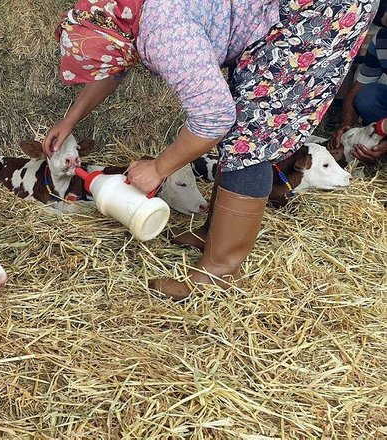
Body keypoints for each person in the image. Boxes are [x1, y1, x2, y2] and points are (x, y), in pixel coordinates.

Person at [44, 0, 375, 300]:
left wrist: (159, 168)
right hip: (278, 10)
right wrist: (69, 120)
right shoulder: (123, 20)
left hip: (314, 15)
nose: (102, 69)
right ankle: (213, 233)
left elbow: (215, 118)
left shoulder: (165, 35)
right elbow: (111, 68)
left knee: (251, 134)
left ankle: (219, 271)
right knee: (244, 116)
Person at [335, 25, 387, 162]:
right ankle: (378, 138)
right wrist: (346, 123)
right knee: (367, 96)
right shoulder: (382, 39)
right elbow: (356, 89)